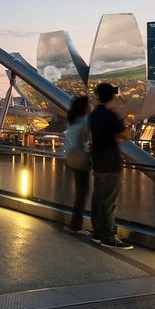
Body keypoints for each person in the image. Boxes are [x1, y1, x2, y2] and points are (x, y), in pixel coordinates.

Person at [89, 83, 134, 249]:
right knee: (108, 201)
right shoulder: (111, 115)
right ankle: (108, 237)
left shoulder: (94, 114)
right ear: (112, 96)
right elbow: (125, 135)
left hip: (98, 161)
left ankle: (97, 232)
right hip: (111, 162)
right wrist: (128, 125)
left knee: (98, 199)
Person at [63, 96, 92, 236]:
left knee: (80, 193)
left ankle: (74, 224)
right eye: (89, 104)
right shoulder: (85, 121)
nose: (91, 105)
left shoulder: (73, 120)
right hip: (80, 158)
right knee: (82, 193)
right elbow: (87, 139)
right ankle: (76, 226)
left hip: (70, 157)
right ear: (85, 107)